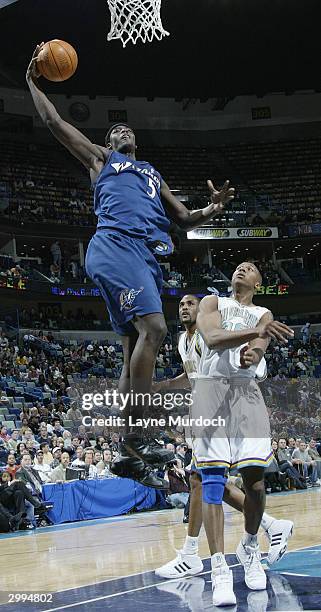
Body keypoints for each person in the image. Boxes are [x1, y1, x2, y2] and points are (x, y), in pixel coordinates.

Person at [26, 44, 235, 487]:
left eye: (126, 127)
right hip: (116, 246)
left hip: (144, 258)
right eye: (114, 128)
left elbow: (183, 218)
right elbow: (55, 123)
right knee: (156, 330)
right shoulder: (104, 161)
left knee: (131, 355)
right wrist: (32, 82)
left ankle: (127, 446)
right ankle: (141, 432)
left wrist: (211, 211)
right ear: (109, 143)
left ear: (136, 140)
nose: (121, 130)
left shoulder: (153, 174)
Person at [155, 294, 294, 583]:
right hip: (204, 408)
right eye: (180, 304)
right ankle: (266, 525)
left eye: (190, 304)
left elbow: (233, 357)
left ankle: (195, 554)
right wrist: (163, 386)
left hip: (228, 406)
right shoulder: (184, 340)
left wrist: (256, 350)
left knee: (212, 479)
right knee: (200, 479)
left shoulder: (214, 328)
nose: (184, 308)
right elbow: (192, 376)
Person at [190, 262, 294, 606]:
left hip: (246, 393)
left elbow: (261, 346)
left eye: (248, 269)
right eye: (237, 267)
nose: (241, 270)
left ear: (258, 282)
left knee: (257, 483)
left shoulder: (264, 312)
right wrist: (255, 335)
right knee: (213, 482)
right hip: (211, 391)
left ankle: (249, 547)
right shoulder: (211, 303)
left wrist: (254, 355)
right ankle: (218, 569)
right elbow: (213, 338)